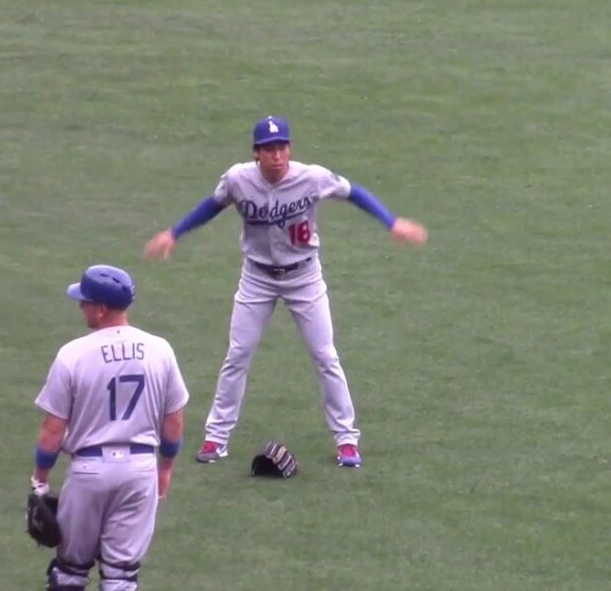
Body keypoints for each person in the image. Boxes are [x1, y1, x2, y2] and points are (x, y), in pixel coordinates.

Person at [144, 115, 428, 468]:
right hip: (257, 277)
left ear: (290, 150)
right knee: (237, 355)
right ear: (256, 153)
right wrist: (175, 233)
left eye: (281, 148)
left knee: (325, 356)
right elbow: (212, 205)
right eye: (268, 149)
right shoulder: (238, 179)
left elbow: (354, 193)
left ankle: (347, 440)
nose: (276, 155)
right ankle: (216, 437)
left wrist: (391, 221)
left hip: (304, 276)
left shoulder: (312, 177)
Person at [31, 264, 188, 591]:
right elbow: (174, 420)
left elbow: (52, 429)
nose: (80, 306)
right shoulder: (160, 350)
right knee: (121, 577)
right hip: (139, 470)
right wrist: (166, 469)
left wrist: (40, 481)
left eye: (85, 301)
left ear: (101, 309)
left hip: (90, 471)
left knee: (69, 572)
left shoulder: (72, 355)